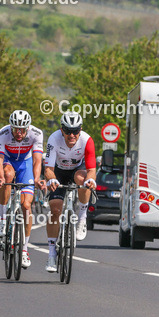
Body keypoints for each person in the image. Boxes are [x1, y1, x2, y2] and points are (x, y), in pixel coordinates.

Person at [42, 111, 97, 272]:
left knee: (83, 180)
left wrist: (90, 180)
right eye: (68, 131)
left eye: (75, 131)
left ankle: (82, 218)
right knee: (55, 209)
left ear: (80, 130)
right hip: (58, 172)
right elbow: (49, 169)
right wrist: (51, 179)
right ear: (61, 130)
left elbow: (91, 169)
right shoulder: (54, 139)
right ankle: (51, 254)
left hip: (77, 171)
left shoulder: (87, 140)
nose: (71, 135)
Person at [0, 110, 43, 269]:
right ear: (11, 127)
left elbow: (37, 161)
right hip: (8, 161)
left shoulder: (36, 134)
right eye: (16, 129)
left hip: (26, 164)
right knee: (7, 176)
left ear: (28, 128)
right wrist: (0, 177)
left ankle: (24, 250)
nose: (19, 133)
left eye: (23, 129)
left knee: (26, 206)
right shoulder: (3, 133)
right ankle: (2, 218)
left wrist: (36, 179)